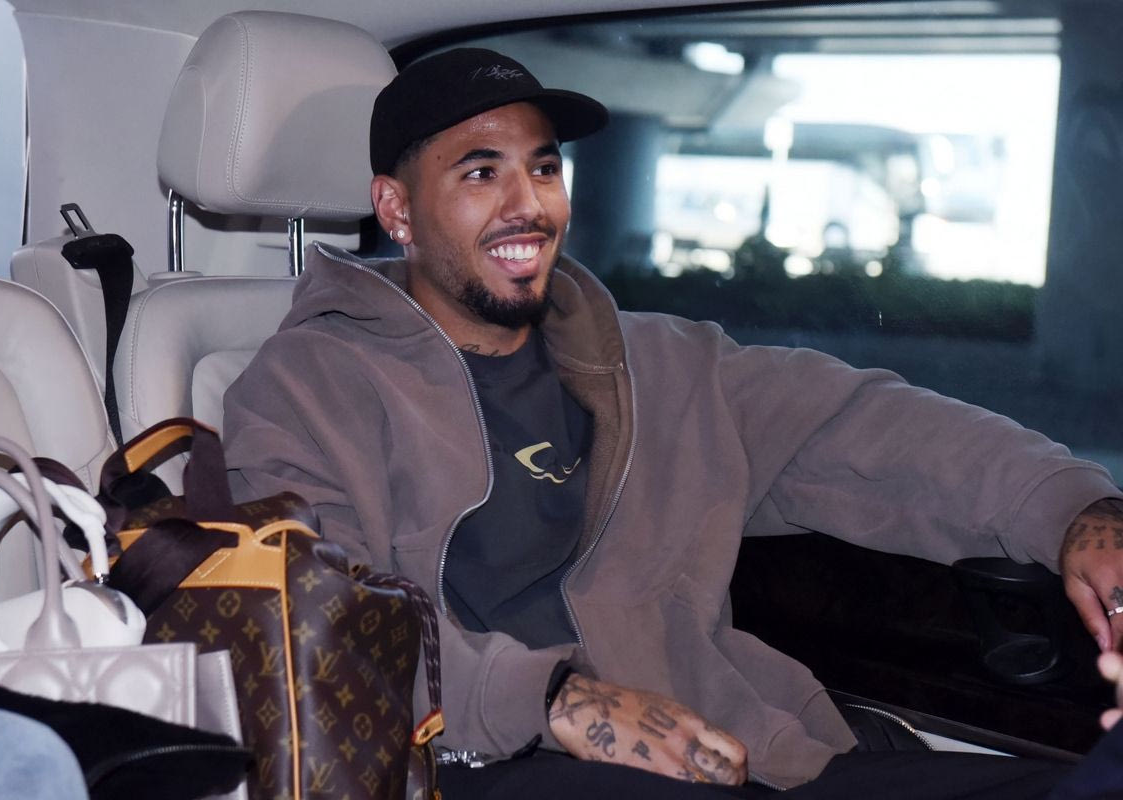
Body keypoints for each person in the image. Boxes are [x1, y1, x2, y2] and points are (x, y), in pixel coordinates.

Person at [223, 48, 1123, 798]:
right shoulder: (309, 383)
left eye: (544, 168)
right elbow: (318, 613)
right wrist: (556, 700)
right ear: (396, 209)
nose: (527, 204)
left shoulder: (653, 362)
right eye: (481, 172)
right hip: (484, 758)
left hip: (730, 749)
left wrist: (1073, 509)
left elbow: (864, 429)